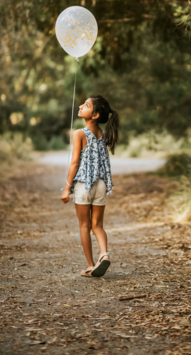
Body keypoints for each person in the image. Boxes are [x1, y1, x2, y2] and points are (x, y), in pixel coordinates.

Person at [61, 95, 119, 278]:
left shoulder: (79, 133)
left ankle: (89, 265)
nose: (80, 106)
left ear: (94, 115)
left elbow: (75, 162)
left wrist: (66, 188)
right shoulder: (103, 133)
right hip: (101, 184)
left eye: (86, 105)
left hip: (84, 185)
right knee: (98, 225)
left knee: (84, 225)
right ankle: (104, 253)